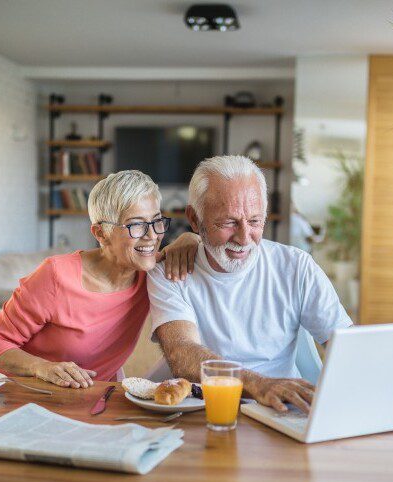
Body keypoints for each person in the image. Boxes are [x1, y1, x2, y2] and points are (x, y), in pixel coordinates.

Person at [147, 156, 352, 413]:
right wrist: (259, 385)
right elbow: (182, 354)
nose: (245, 238)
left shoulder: (297, 266)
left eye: (255, 221)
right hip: (206, 411)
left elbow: (345, 347)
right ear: (195, 219)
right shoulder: (171, 272)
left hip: (282, 410)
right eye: (228, 222)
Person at [0, 171, 200, 387]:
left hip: (86, 401)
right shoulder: (56, 275)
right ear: (100, 233)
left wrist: (192, 238)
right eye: (136, 225)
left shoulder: (152, 272)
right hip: (18, 393)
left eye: (157, 221)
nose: (152, 236)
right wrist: (42, 367)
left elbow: (197, 254)